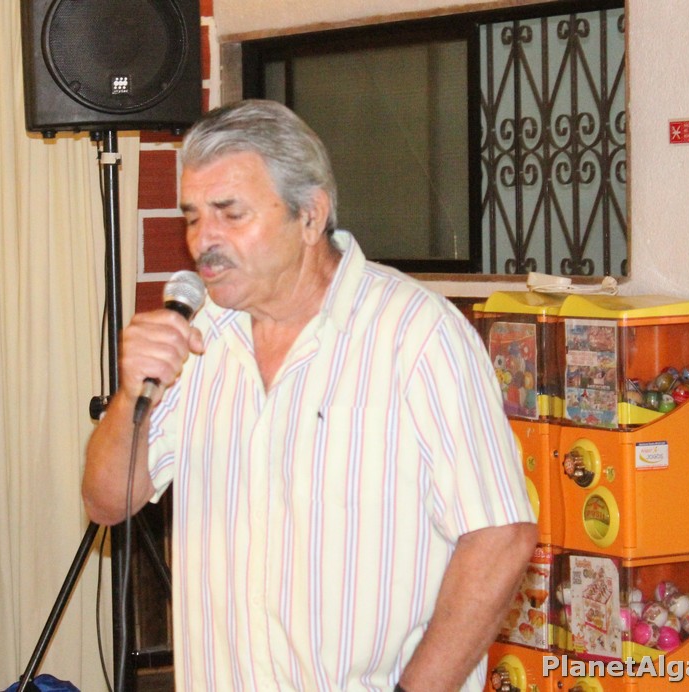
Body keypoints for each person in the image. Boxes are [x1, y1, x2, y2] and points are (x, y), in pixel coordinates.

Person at [83, 99, 537, 691]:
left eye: (230, 213)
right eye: (192, 217)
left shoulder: (415, 335)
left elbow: (500, 536)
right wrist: (129, 397)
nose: (203, 241)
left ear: (310, 216)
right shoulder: (195, 338)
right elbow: (107, 502)